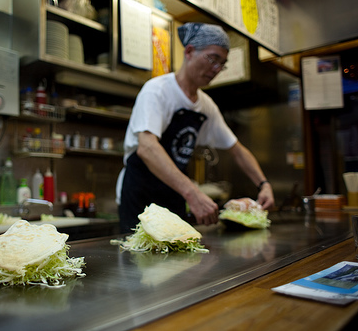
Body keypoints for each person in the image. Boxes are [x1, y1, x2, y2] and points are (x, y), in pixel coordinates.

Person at [116, 22, 275, 233]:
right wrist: (192, 193)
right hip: (140, 195)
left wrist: (263, 184)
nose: (217, 69)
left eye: (222, 63)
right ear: (190, 51)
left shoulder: (206, 106)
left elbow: (237, 150)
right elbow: (147, 147)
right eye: (213, 59)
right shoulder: (157, 90)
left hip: (173, 194)